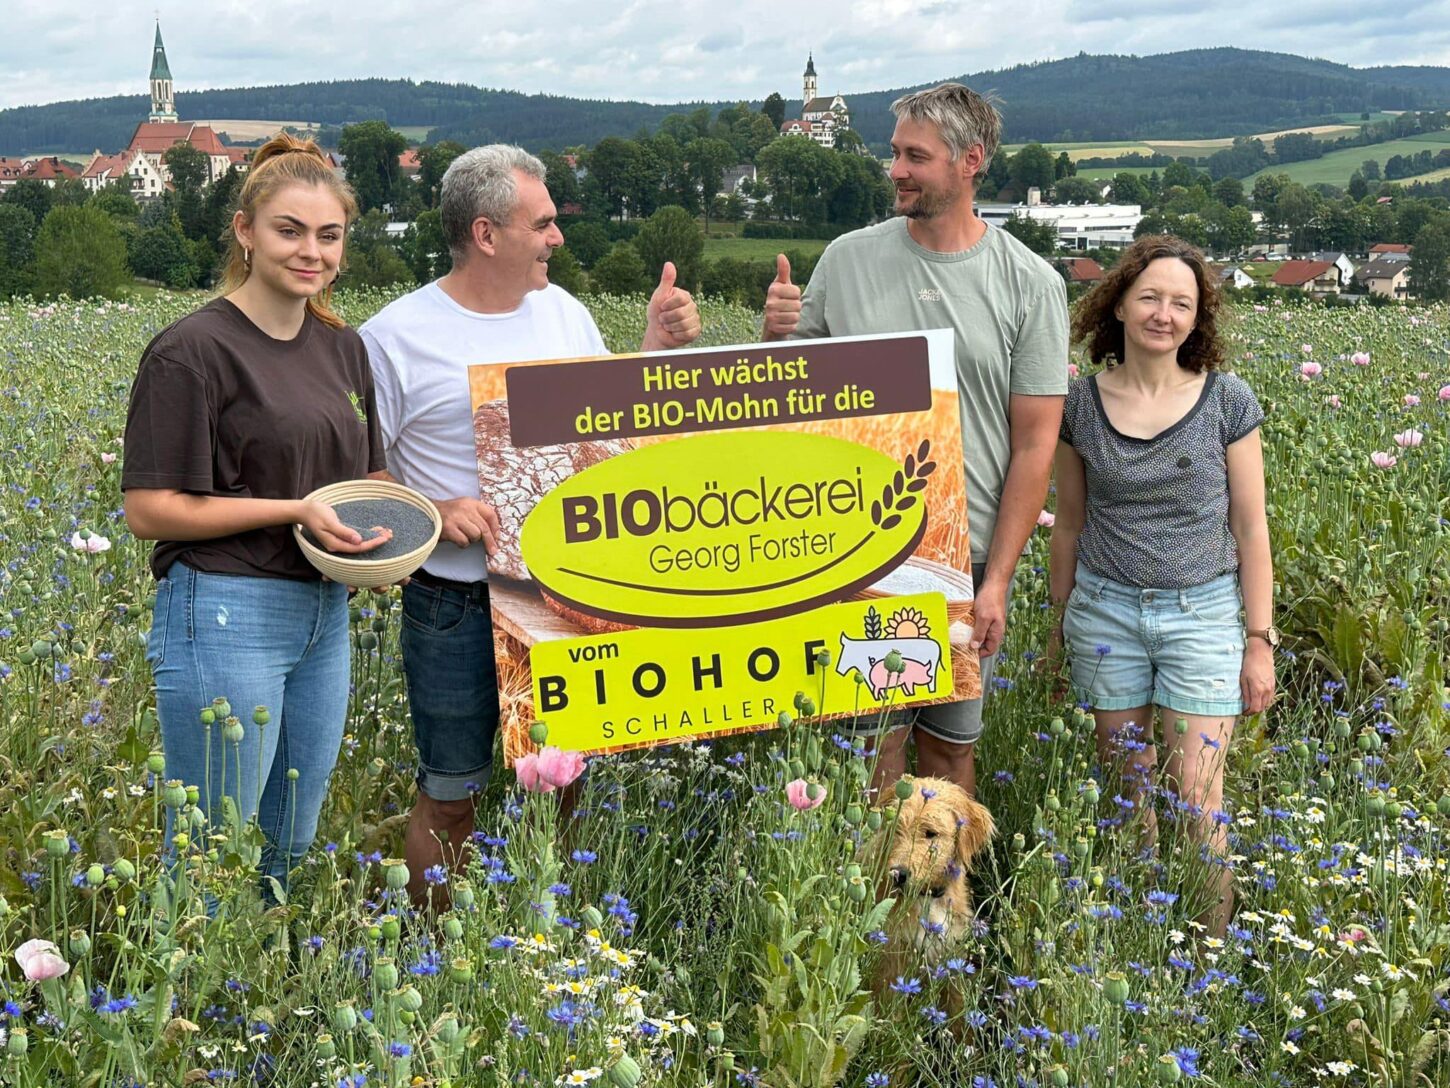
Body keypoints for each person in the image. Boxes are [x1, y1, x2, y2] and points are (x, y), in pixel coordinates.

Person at [360, 145, 702, 905]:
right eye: (543, 223)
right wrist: (432, 510)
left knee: (563, 780)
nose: (558, 237)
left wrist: (654, 349)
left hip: (564, 601)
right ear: (486, 234)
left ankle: (554, 942)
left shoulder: (565, 312)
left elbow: (612, 433)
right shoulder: (392, 337)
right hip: (452, 605)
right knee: (452, 791)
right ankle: (437, 946)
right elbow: (360, 479)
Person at [763, 83, 1068, 799]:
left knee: (950, 754)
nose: (895, 169)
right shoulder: (846, 260)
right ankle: (878, 878)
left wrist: (997, 582)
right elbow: (790, 399)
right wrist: (774, 336)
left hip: (967, 558)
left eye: (915, 157)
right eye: (895, 152)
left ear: (971, 161)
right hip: (861, 552)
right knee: (874, 754)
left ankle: (944, 878)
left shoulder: (1031, 283)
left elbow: (1036, 446)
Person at [123, 134, 391, 891]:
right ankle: (183, 974)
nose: (312, 252)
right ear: (245, 230)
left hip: (324, 615)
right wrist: (296, 512)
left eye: (329, 235)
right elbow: (149, 509)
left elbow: (367, 474)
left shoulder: (343, 348)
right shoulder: (191, 352)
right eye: (290, 231)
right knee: (211, 853)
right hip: (225, 610)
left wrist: (389, 537)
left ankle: (261, 967)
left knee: (287, 844)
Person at [1048, 234, 1275, 936]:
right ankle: (1141, 945)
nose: (1163, 314)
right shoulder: (1079, 406)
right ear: (1118, 304)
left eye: (1181, 302)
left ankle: (1207, 960)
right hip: (1105, 614)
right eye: (1149, 297)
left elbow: (1251, 528)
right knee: (1126, 794)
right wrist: (1058, 629)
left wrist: (1259, 641)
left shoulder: (1227, 400)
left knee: (1197, 798)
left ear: (1197, 317)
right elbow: (1068, 525)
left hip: (1202, 614)